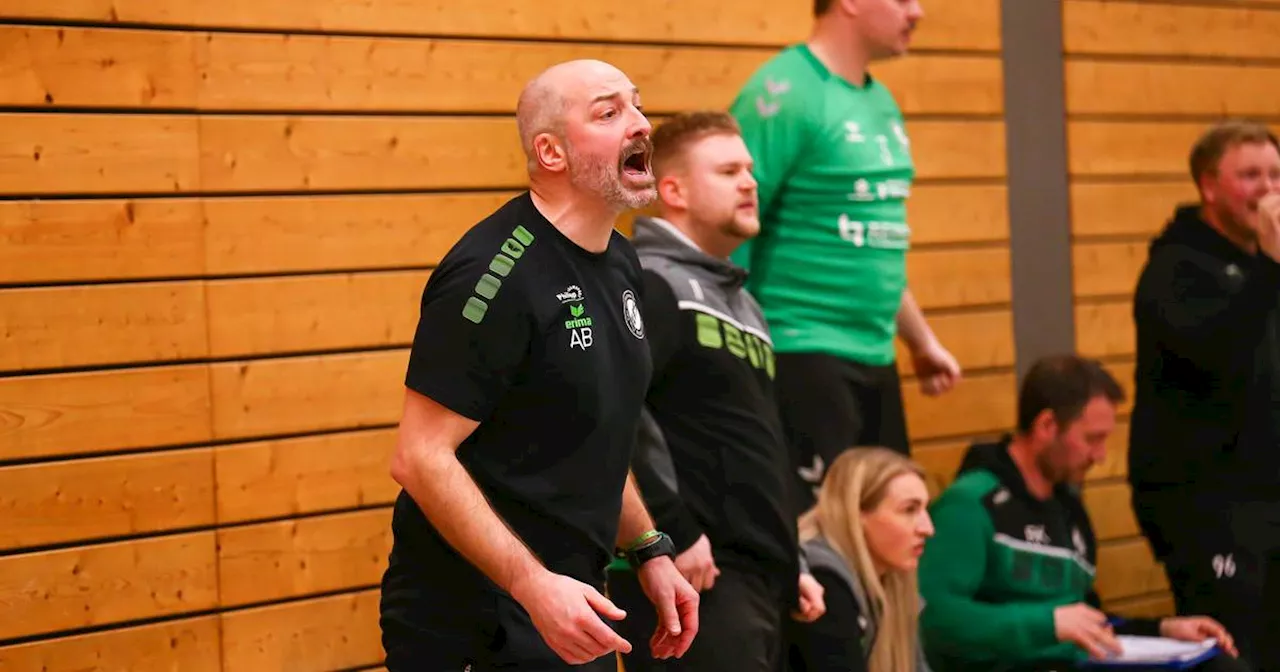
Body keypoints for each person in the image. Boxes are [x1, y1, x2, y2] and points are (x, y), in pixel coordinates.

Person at [377, 59, 699, 671]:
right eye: (609, 113)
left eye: (637, 104)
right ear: (550, 153)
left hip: (574, 602)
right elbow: (420, 458)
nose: (640, 124)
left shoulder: (622, 263)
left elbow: (594, 433)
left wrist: (650, 548)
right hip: (477, 619)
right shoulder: (493, 275)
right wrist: (531, 585)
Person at [601, 111, 825, 671]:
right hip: (692, 573)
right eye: (728, 171)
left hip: (757, 577)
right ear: (672, 189)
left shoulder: (742, 301)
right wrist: (669, 532)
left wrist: (790, 556)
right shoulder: (648, 282)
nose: (751, 181)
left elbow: (759, 441)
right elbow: (613, 415)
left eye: (749, 169)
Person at [727, 0, 961, 515]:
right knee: (826, 542)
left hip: (877, 356)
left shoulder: (879, 102)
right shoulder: (783, 93)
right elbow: (724, 224)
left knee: (887, 532)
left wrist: (919, 339)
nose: (917, 12)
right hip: (802, 353)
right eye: (902, 0)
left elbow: (873, 239)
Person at [918, 355, 1242, 672]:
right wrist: (1047, 624)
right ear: (1047, 425)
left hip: (1076, 662)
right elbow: (933, 619)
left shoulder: (1069, 510)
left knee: (1219, 665)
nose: (1100, 456)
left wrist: (1162, 630)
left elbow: (1088, 620)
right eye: (1092, 439)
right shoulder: (970, 504)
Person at [1128, 119, 1280, 672]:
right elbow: (1219, 353)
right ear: (1208, 185)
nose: (1267, 189)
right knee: (1236, 651)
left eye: (1275, 174)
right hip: (1204, 503)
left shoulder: (1266, 268)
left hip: (1267, 495)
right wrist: (1270, 266)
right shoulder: (1175, 269)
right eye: (1249, 176)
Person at [786, 447, 935, 672]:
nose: (928, 529)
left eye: (925, 509)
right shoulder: (821, 581)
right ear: (855, 513)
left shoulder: (894, 579)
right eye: (909, 510)